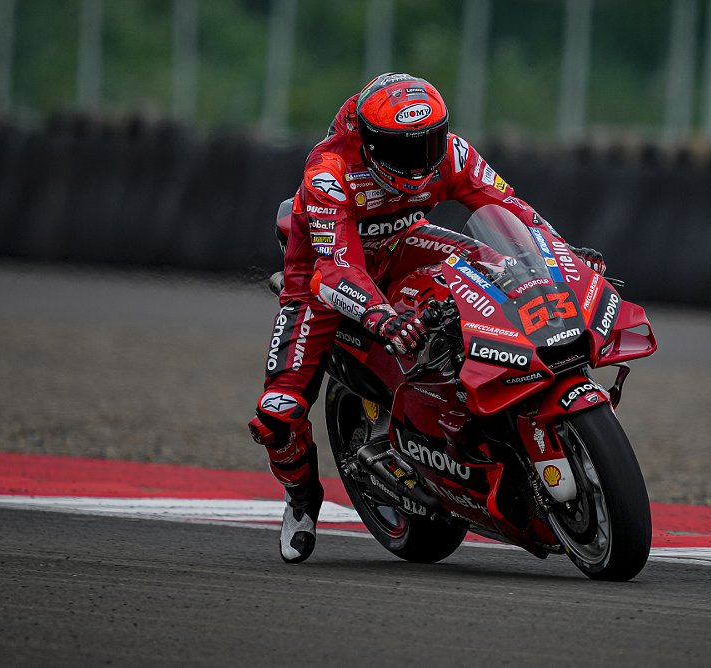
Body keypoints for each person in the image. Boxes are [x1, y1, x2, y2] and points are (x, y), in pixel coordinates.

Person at [248, 72, 605, 563]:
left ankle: (495, 404)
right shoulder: (330, 174)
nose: (420, 159)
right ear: (370, 145)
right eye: (403, 149)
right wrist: (381, 316)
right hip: (321, 285)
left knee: (499, 264)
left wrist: (564, 259)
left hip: (402, 247)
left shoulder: (453, 153)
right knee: (277, 415)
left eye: (429, 142)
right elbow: (336, 270)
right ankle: (302, 500)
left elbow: (515, 211)